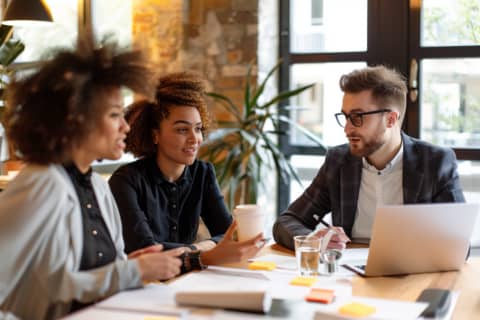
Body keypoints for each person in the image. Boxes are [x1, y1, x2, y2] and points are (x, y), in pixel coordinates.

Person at [0, 39, 185, 320]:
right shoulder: (41, 182)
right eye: (114, 115)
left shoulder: (98, 185)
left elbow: (93, 277)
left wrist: (129, 266)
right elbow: (51, 288)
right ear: (75, 120)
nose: (126, 126)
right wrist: (132, 271)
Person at [273, 65, 465, 250]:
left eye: (358, 117)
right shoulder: (338, 162)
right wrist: (311, 241)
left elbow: (458, 243)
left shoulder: (435, 162)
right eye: (346, 117)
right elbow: (287, 222)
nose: (347, 128)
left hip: (411, 274)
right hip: (348, 275)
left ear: (391, 119)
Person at [109, 72, 264, 265]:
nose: (195, 139)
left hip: (188, 276)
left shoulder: (203, 173)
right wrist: (202, 250)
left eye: (198, 128)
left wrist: (195, 250)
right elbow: (147, 250)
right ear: (155, 135)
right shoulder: (125, 181)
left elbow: (226, 234)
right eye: (182, 129)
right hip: (144, 284)